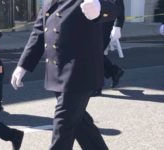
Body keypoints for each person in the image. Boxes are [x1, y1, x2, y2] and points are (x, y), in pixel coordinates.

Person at [11, 0, 119, 149]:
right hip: (57, 70)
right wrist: (23, 65)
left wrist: (100, 8)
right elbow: (39, 30)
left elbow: (113, 8)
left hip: (80, 71)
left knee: (63, 125)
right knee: (81, 124)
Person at [92, 0, 125, 96]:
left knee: (95, 56)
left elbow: (119, 9)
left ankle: (97, 87)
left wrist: (118, 26)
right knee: (95, 55)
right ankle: (114, 71)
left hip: (105, 26)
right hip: (92, 26)